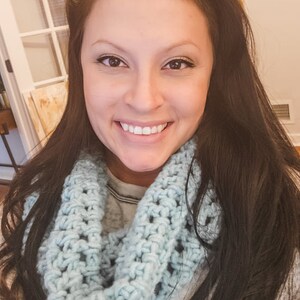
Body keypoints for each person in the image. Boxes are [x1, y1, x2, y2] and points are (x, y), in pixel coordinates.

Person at [1, 0, 299, 299]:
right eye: (112, 60)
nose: (143, 101)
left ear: (214, 73)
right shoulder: (27, 206)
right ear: (79, 67)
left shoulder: (274, 206)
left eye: (177, 63)